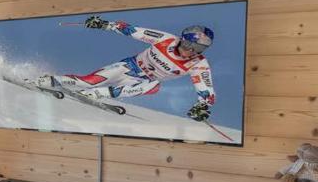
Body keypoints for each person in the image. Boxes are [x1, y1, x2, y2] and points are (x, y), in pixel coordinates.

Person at [34, 16, 216, 121]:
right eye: (189, 45)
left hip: (143, 82)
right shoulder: (166, 39)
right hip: (128, 67)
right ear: (182, 39)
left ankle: (97, 94)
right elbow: (132, 31)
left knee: (154, 86)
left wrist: (203, 107)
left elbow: (206, 90)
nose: (190, 51)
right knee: (88, 81)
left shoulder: (198, 64)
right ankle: (51, 80)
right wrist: (104, 24)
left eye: (198, 49)